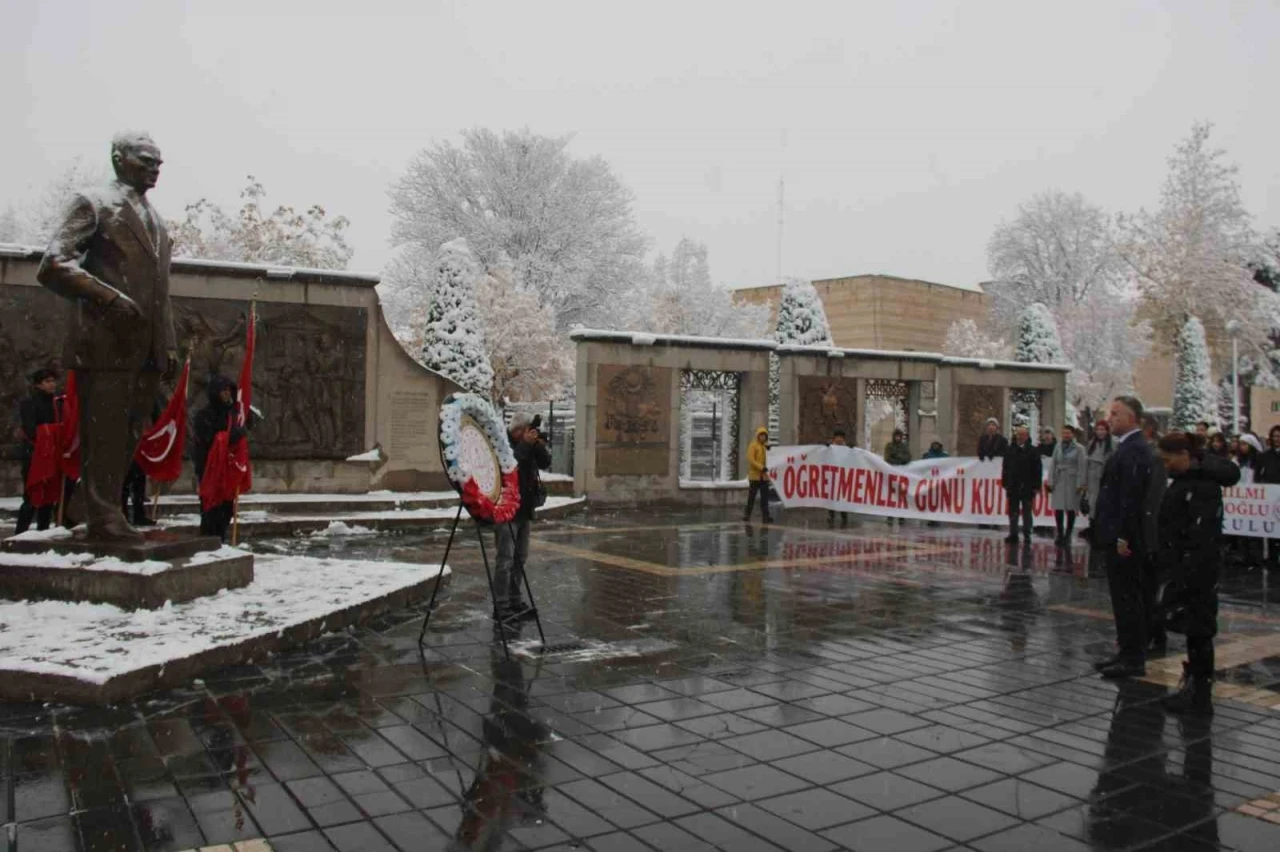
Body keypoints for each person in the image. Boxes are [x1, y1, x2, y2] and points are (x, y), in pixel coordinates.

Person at [36, 132, 178, 542]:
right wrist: (108, 298)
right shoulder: (93, 203)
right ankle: (102, 515)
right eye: (145, 160)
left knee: (130, 432)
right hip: (105, 342)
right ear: (119, 159)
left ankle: (96, 503)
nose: (155, 168)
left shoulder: (157, 221)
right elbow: (53, 264)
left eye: (158, 162)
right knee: (106, 432)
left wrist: (166, 341)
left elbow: (160, 292)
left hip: (146, 347)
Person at [1155, 431, 1240, 715]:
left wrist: (1185, 569)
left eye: (1169, 460)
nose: (1166, 466)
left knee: (1200, 630)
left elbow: (1199, 534)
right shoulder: (1186, 480)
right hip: (1188, 565)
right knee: (1194, 630)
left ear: (1184, 455)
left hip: (1197, 569)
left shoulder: (1201, 485)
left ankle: (1200, 694)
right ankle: (1195, 687)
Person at [1092, 395, 1155, 679]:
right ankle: (1126, 652)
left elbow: (1131, 499)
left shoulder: (1135, 450)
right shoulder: (1126, 448)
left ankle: (1133, 658)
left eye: (1116, 413)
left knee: (1129, 598)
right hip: (1116, 535)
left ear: (1131, 418)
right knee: (1122, 598)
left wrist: (1123, 536)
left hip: (1125, 540)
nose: (1110, 418)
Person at [494, 413, 551, 620]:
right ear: (519, 430)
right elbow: (511, 466)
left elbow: (545, 463)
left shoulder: (528, 444)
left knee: (520, 558)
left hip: (525, 510)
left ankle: (515, 600)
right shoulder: (502, 443)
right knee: (505, 559)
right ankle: (501, 605)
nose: (530, 433)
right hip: (507, 509)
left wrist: (538, 445)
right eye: (528, 430)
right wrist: (526, 445)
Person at [189, 375, 248, 541]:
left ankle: (220, 539)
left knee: (226, 508)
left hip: (226, 469)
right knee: (210, 508)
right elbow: (210, 439)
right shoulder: (204, 415)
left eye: (229, 390)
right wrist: (230, 436)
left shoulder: (233, 415)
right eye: (224, 390)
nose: (227, 393)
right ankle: (208, 541)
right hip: (209, 468)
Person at [13, 368, 59, 534]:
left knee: (48, 497)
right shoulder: (29, 403)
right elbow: (31, 429)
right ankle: (20, 534)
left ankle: (43, 532)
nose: (52, 384)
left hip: (52, 454)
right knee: (32, 496)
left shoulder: (57, 402)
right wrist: (51, 431)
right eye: (48, 381)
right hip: (34, 454)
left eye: (53, 380)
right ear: (38, 384)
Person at [1002, 425, 1042, 545]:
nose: (1020, 437)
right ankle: (1013, 533)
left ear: (1027, 436)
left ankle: (1027, 534)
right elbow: (1005, 468)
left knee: (1027, 512)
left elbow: (1037, 470)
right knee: (1013, 511)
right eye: (1018, 435)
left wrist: (1036, 486)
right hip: (1013, 485)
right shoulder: (1010, 450)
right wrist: (1005, 482)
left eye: (1023, 435)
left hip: (1027, 486)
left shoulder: (1033, 451)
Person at [1048, 425, 1085, 547]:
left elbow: (1082, 467)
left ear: (1073, 434)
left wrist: (1080, 483)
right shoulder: (1057, 446)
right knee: (1058, 508)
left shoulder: (1079, 448)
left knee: (1070, 508)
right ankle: (1060, 533)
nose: (1066, 435)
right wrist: (1051, 481)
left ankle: (1068, 534)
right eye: (1064, 433)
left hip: (1072, 480)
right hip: (1059, 479)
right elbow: (1053, 464)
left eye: (1068, 433)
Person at [744, 427, 771, 523]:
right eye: (761, 435)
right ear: (758, 436)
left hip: (764, 477)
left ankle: (766, 516)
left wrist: (770, 451)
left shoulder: (766, 447)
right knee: (751, 498)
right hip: (755, 477)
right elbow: (751, 459)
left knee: (765, 499)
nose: (763, 437)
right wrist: (761, 467)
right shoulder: (753, 445)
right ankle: (747, 515)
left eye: (764, 436)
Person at [827, 430, 849, 528]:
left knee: (843, 497)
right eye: (837, 437)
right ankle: (831, 515)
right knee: (831, 497)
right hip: (832, 476)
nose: (839, 439)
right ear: (834, 438)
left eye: (841, 437)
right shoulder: (828, 448)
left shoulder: (848, 449)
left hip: (843, 477)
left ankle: (844, 516)